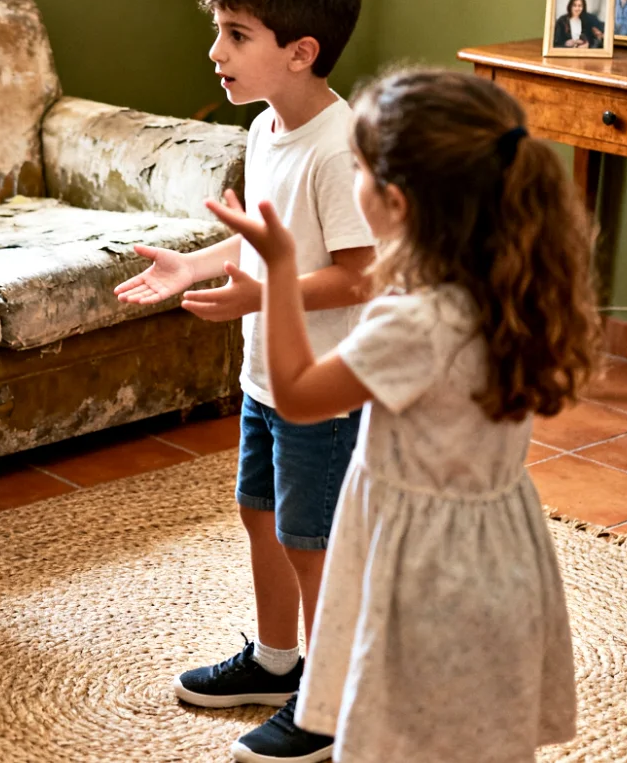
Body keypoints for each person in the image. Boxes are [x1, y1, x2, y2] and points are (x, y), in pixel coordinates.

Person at [204, 68, 596, 763]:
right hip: (500, 553)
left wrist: (280, 269)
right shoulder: (507, 289)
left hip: (426, 568)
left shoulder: (417, 322)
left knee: (404, 730)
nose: (351, 178)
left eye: (357, 168)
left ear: (393, 201)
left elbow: (296, 393)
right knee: (479, 732)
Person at [116, 0, 374, 763]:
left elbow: (360, 276)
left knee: (311, 541)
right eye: (219, 31)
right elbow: (269, 245)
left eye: (235, 35)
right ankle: (275, 658)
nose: (215, 52)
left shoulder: (340, 148)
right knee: (259, 513)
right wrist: (194, 265)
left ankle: (329, 701)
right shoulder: (266, 128)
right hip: (268, 376)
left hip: (323, 387)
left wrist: (262, 296)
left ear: (301, 52)